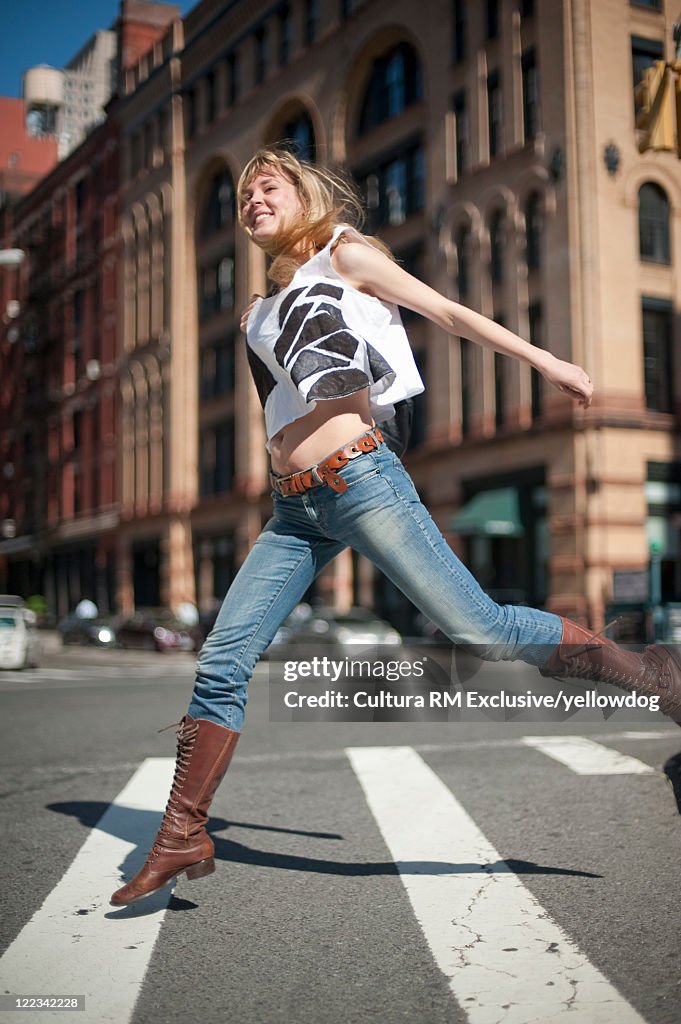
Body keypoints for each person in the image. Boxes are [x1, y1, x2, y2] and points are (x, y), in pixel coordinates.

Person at [110, 149, 681, 907]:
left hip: (361, 479)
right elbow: (278, 408)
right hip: (295, 506)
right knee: (221, 659)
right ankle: (182, 833)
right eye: (244, 195)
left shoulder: (343, 256)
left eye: (266, 187)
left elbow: (444, 310)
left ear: (302, 193)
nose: (251, 201)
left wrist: (549, 362)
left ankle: (646, 672)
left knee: (478, 631)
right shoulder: (255, 309)